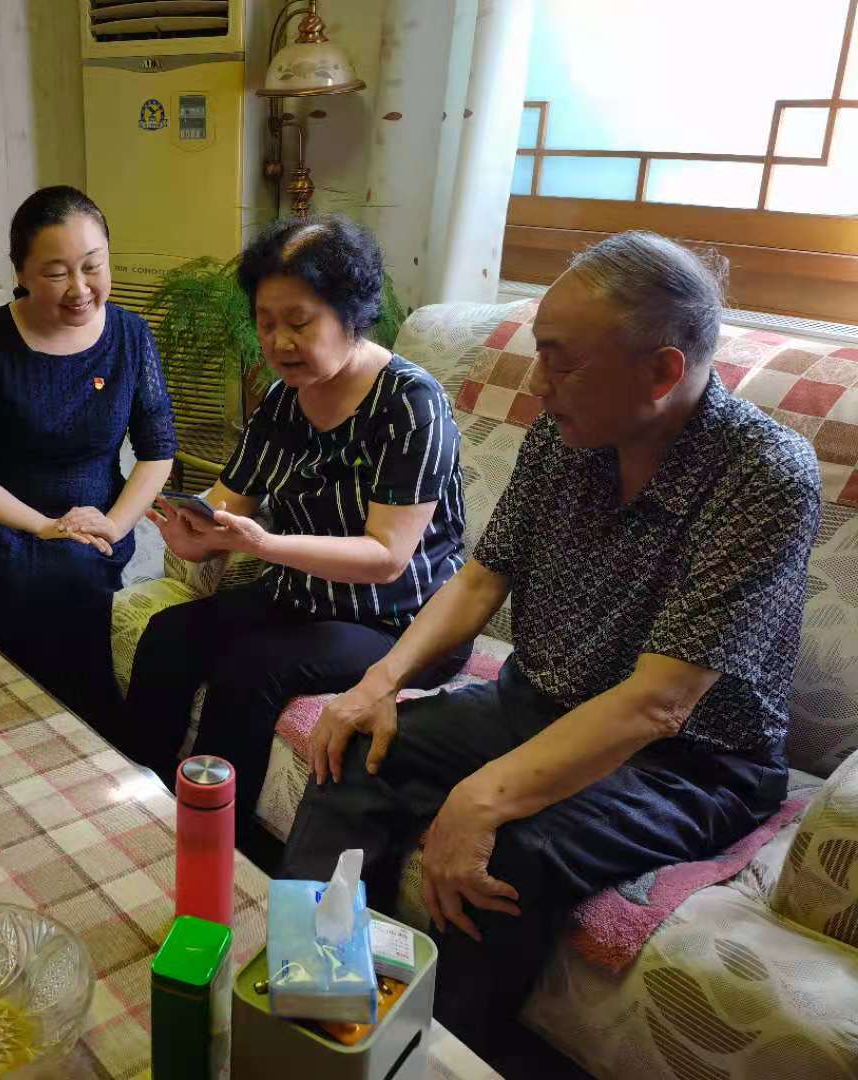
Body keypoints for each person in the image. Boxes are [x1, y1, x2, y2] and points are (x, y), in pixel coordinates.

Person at [280, 231, 822, 1057]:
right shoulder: (565, 433)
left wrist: (483, 797)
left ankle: (442, 1060)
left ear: (662, 372)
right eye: (540, 353)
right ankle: (316, 1016)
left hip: (689, 765)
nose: (537, 383)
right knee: (351, 752)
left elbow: (659, 704)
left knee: (510, 855)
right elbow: (481, 579)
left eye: (562, 363)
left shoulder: (764, 474)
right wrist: (380, 681)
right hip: (535, 703)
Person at [113, 217, 469, 840]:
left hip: (399, 620)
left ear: (352, 314)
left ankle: (217, 846)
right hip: (304, 598)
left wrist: (265, 544)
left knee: (253, 669)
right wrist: (195, 534)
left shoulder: (411, 404)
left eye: (299, 322)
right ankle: (136, 812)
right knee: (170, 635)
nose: (278, 342)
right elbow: (227, 504)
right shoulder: (283, 402)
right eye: (265, 322)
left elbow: (387, 555)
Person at [0, 186, 176, 722]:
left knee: (70, 578)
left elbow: (158, 450)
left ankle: (81, 738)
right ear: (21, 272)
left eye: (93, 266)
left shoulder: (131, 336)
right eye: (57, 273)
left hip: (89, 521)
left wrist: (114, 525)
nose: (80, 289)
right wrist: (42, 526)